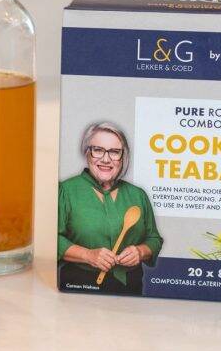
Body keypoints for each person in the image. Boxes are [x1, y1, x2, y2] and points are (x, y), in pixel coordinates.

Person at [57, 122, 163, 295]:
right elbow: (52, 239)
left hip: (131, 288)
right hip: (79, 285)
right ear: (87, 152)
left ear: (123, 157)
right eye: (98, 150)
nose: (106, 159)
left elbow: (154, 239)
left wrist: (140, 251)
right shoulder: (66, 191)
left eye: (114, 152)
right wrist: (87, 255)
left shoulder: (137, 195)